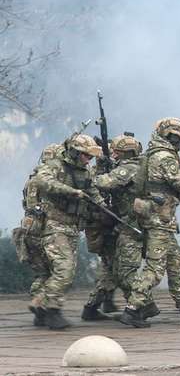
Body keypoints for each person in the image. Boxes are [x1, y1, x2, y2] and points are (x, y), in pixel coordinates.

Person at [119, 117, 180, 328]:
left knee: (176, 261)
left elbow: (172, 182)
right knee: (154, 269)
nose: (179, 142)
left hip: (158, 217)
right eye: (177, 138)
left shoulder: (155, 154)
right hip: (159, 219)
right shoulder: (164, 157)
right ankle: (133, 309)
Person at [29, 135, 104, 329]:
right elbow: (43, 181)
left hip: (72, 227)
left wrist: (104, 209)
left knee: (62, 271)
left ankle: (39, 305)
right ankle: (51, 309)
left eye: (91, 157)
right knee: (65, 271)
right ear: (76, 152)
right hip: (54, 225)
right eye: (86, 156)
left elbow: (93, 192)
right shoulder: (55, 165)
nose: (89, 160)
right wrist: (71, 191)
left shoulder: (85, 172)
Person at [81, 134, 146, 321]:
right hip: (111, 222)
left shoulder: (126, 168)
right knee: (118, 267)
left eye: (117, 151)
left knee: (111, 267)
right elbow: (101, 183)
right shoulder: (120, 169)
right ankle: (138, 307)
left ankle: (93, 307)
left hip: (114, 222)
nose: (114, 154)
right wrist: (102, 166)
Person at [13, 143, 65, 327]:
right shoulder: (46, 180)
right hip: (43, 230)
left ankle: (39, 311)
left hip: (28, 229)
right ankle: (41, 304)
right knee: (58, 271)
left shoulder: (32, 179)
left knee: (42, 273)